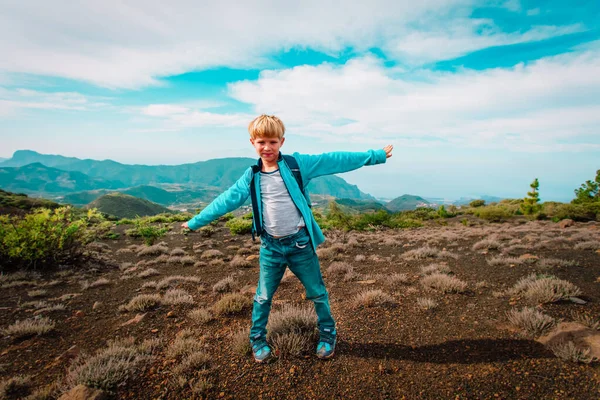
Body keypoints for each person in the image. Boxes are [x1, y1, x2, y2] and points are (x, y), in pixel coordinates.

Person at [182, 115, 393, 362]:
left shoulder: (297, 165)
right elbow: (225, 201)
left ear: (282, 141)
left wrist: (375, 155)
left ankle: (327, 334)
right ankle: (257, 340)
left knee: (317, 292)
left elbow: (334, 160)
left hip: (300, 244)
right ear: (252, 142)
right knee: (262, 296)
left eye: (272, 141)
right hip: (270, 247)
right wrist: (196, 222)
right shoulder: (251, 176)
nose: (267, 147)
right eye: (261, 142)